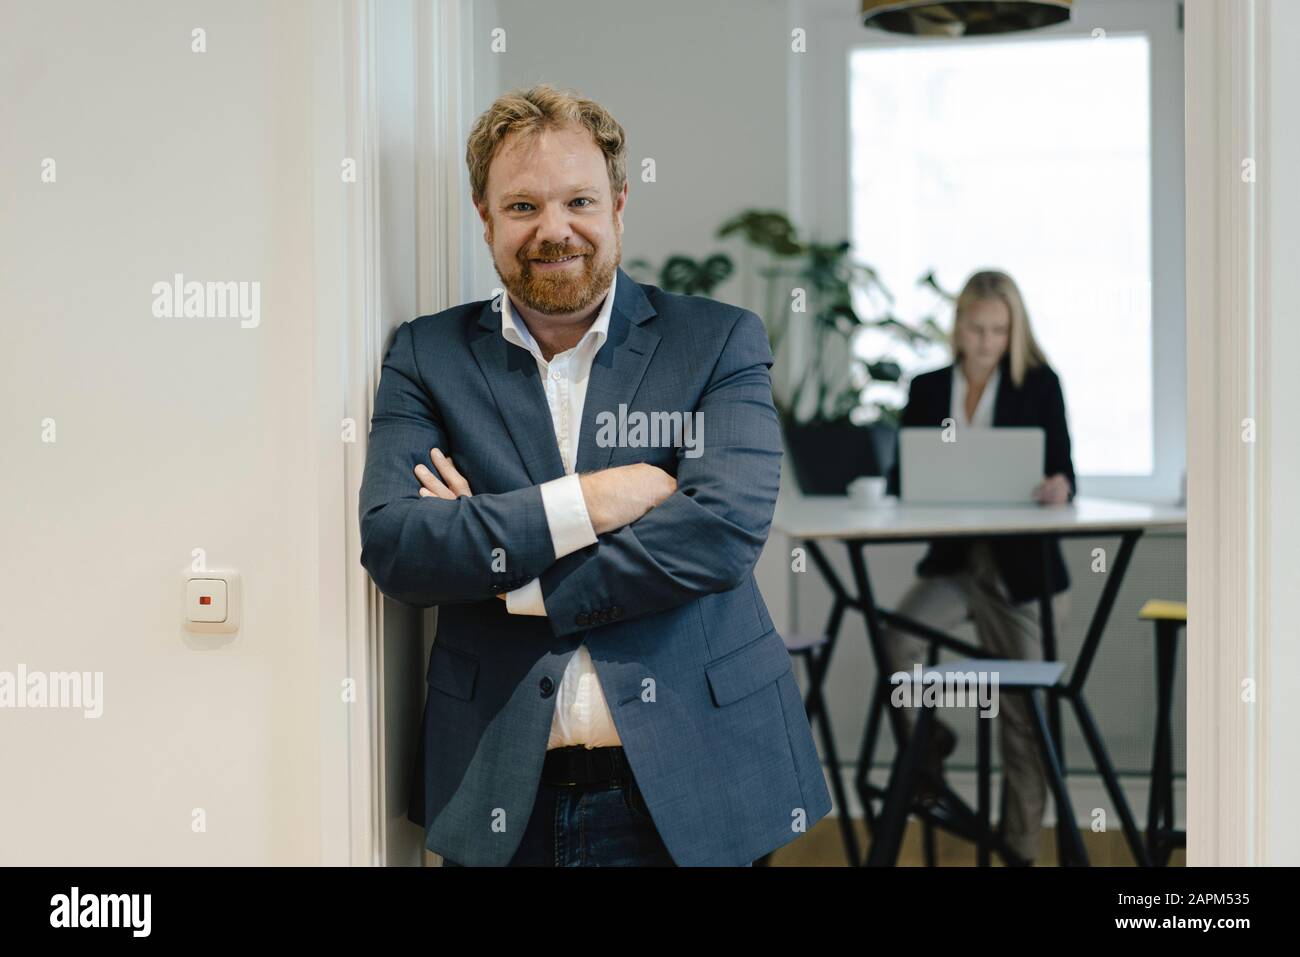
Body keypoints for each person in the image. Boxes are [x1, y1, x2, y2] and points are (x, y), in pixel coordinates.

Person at [358, 84, 831, 867]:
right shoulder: (426, 355)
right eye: (521, 207)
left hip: (696, 777)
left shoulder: (715, 342)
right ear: (484, 216)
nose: (554, 230)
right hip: (498, 789)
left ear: (618, 203)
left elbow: (719, 533)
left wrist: (508, 573)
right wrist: (595, 499)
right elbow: (400, 544)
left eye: (578, 199)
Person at [883, 269, 1075, 865]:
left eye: (998, 330)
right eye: (976, 328)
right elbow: (902, 477)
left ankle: (1019, 851)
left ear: (1014, 331)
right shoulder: (928, 387)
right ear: (958, 326)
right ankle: (928, 741)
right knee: (899, 641)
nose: (987, 341)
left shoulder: (1039, 385)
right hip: (958, 565)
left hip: (1022, 574)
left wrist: (1056, 487)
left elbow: (1066, 473)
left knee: (1024, 719)